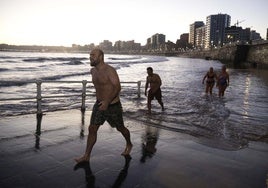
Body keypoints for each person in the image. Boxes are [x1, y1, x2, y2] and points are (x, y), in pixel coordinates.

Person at [75, 49, 132, 163]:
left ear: (101, 57)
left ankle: (129, 144)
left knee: (120, 128)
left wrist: (107, 101)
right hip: (99, 104)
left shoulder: (109, 70)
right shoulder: (93, 71)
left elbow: (117, 87)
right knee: (92, 129)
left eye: (93, 55)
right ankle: (86, 155)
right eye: (90, 55)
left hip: (113, 105)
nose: (90, 57)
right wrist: (102, 101)